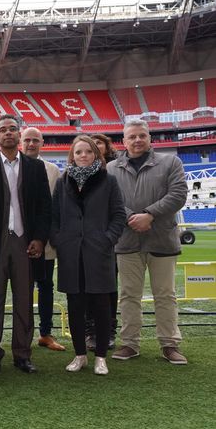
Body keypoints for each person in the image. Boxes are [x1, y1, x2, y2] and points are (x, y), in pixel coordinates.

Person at [0, 115, 52, 374]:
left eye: (12, 129)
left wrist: (40, 239)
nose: (8, 133)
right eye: (2, 130)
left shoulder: (34, 167)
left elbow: (44, 207)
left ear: (19, 135)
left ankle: (22, 354)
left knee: (23, 300)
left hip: (25, 242)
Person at [107, 120, 189, 364]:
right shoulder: (111, 168)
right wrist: (132, 217)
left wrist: (150, 214)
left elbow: (178, 194)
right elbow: (109, 201)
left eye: (142, 135)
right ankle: (130, 343)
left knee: (165, 295)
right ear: (124, 141)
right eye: (132, 136)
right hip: (127, 240)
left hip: (161, 239)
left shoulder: (170, 162)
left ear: (149, 138)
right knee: (128, 295)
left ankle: (169, 344)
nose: (137, 140)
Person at [51, 136, 126, 375]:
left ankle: (101, 357)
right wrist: (60, 241)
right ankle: (80, 355)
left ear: (96, 154)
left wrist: (106, 240)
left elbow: (118, 216)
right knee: (75, 306)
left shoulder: (109, 181)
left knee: (102, 306)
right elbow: (53, 218)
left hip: (99, 253)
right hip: (71, 254)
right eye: (78, 152)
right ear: (72, 156)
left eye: (88, 151)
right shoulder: (63, 183)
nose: (83, 155)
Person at [21, 127, 65, 352]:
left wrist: (49, 236)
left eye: (34, 140)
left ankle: (45, 333)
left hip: (43, 240)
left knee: (45, 285)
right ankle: (22, 334)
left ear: (42, 143)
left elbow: (55, 207)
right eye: (27, 140)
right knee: (20, 288)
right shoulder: (10, 166)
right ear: (21, 141)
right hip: (16, 239)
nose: (30, 144)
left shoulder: (53, 170)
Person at [87, 133, 120, 350]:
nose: (95, 147)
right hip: (86, 242)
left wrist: (109, 237)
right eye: (90, 144)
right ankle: (90, 331)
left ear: (107, 147)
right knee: (87, 288)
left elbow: (117, 208)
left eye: (99, 143)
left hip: (109, 241)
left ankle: (108, 330)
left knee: (109, 288)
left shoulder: (114, 171)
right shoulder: (74, 175)